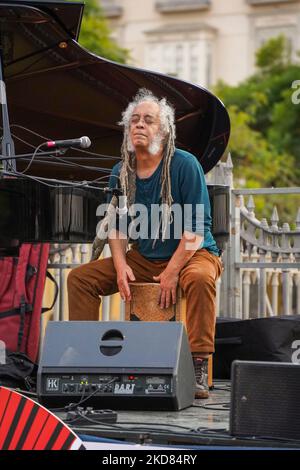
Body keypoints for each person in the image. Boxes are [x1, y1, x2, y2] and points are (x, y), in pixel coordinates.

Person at [67, 88, 223, 399]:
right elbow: (116, 225)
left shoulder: (185, 164)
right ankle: (86, 360)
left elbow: (194, 229)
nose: (139, 125)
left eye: (148, 120)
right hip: (145, 256)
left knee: (201, 278)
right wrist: (122, 264)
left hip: (194, 252)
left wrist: (172, 271)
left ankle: (199, 364)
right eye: (133, 120)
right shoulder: (120, 171)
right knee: (79, 279)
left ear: (164, 131)